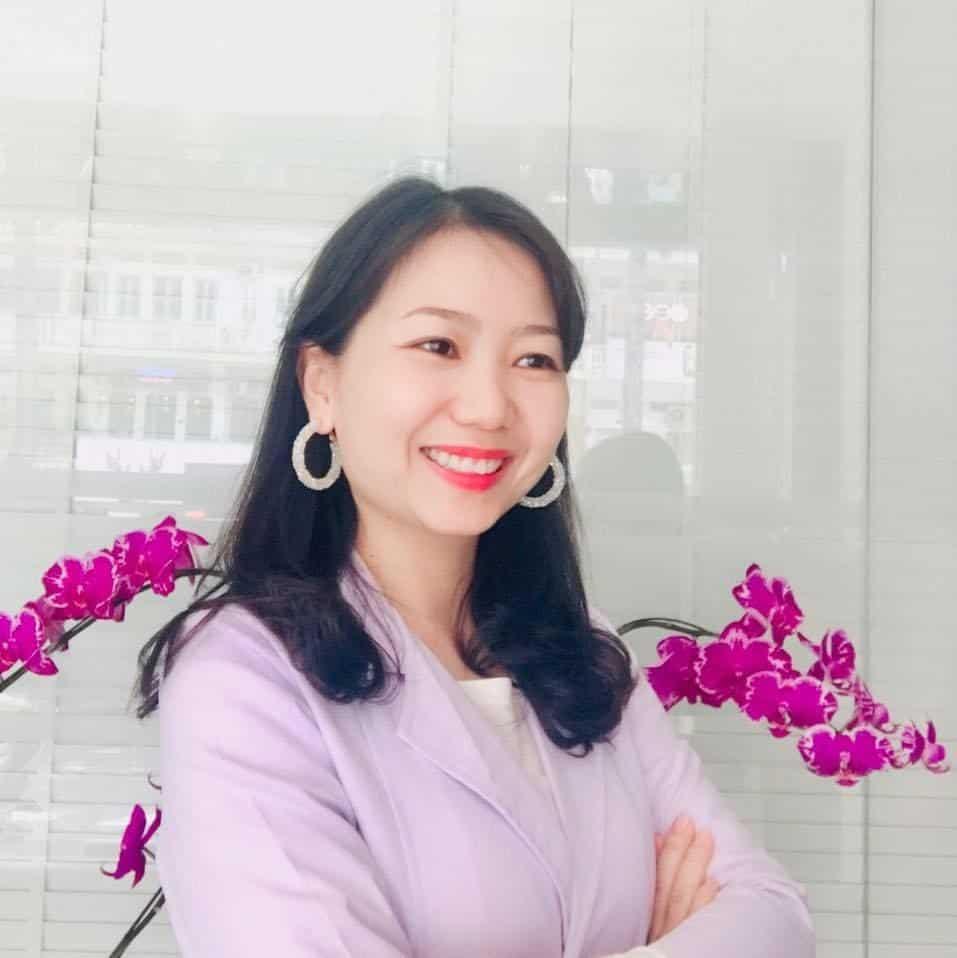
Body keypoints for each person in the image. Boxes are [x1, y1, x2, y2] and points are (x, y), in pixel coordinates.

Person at [133, 176, 815, 957]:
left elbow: (772, 915)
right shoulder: (243, 676)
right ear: (322, 383)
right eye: (438, 346)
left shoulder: (583, 655)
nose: (489, 406)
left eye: (533, 358)